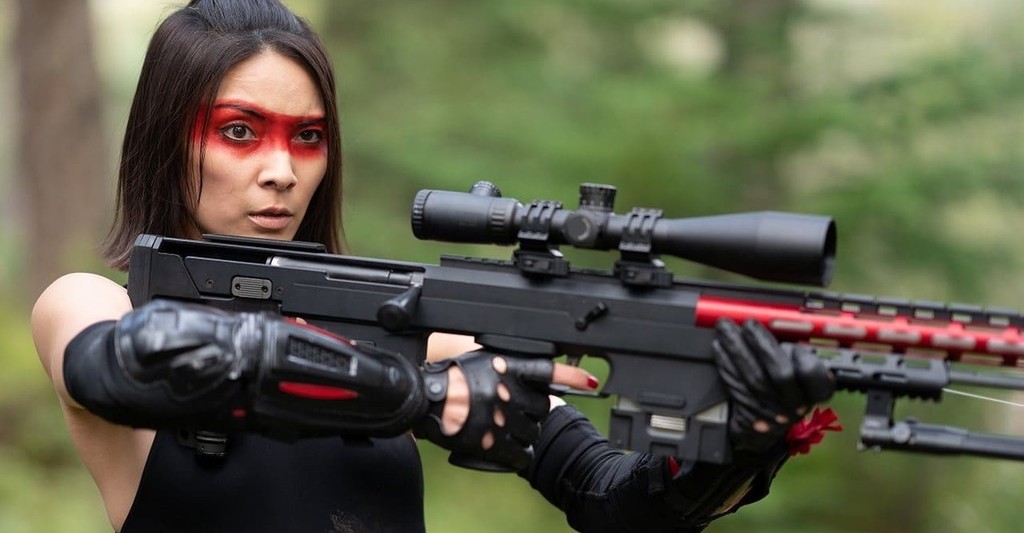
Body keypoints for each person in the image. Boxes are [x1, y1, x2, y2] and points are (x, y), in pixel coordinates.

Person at [30, 1, 836, 532]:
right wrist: (416, 393)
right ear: (166, 138)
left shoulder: (421, 333)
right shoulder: (91, 303)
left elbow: (613, 501)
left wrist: (743, 440)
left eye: (308, 137)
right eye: (240, 131)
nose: (282, 170)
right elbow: (125, 366)